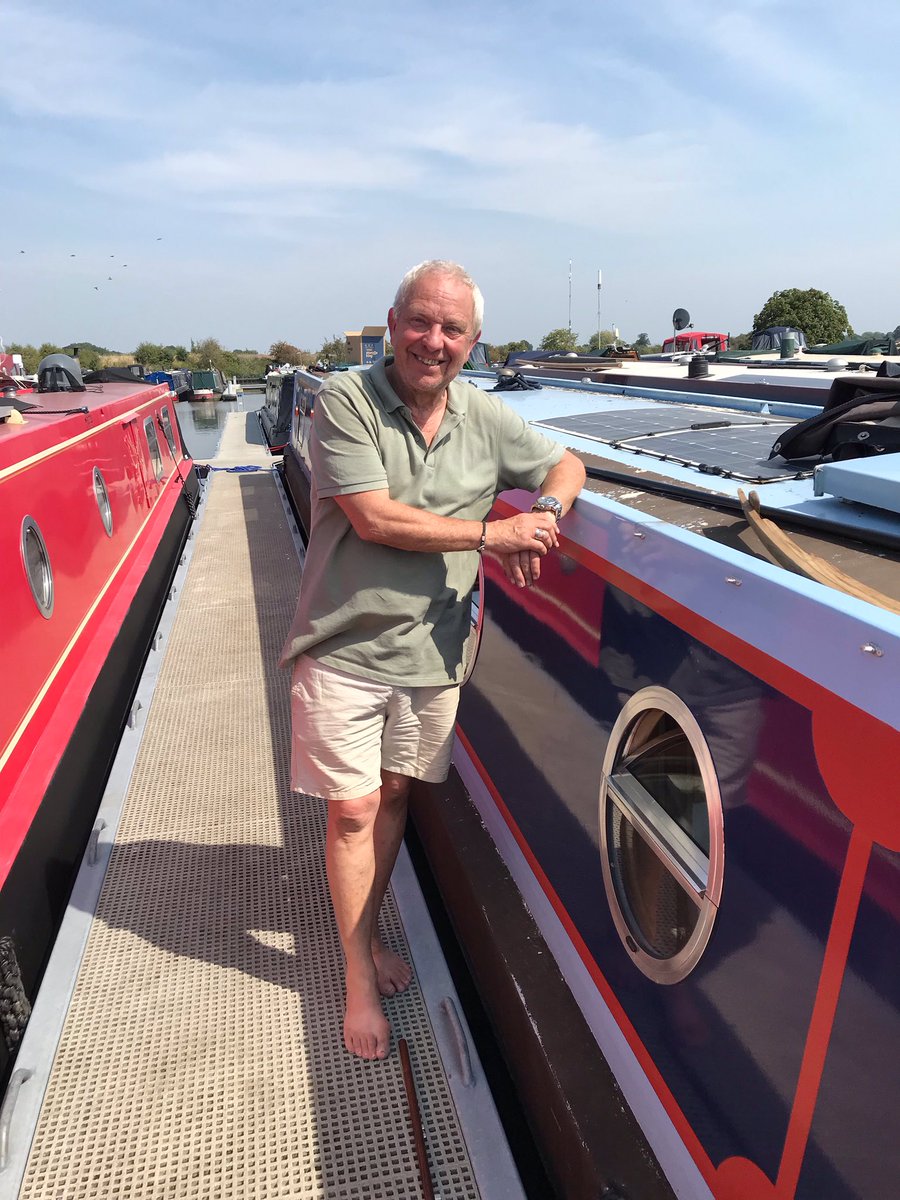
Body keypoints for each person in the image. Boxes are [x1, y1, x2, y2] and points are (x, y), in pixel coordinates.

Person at [280, 260, 585, 1060]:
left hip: (434, 652)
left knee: (389, 802)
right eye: (421, 322)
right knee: (349, 812)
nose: (433, 341)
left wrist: (544, 515)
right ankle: (354, 976)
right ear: (391, 322)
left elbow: (567, 465)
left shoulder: (484, 418)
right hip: (346, 644)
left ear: (473, 343)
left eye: (452, 330)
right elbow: (376, 519)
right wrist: (495, 534)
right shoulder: (348, 402)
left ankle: (370, 935)